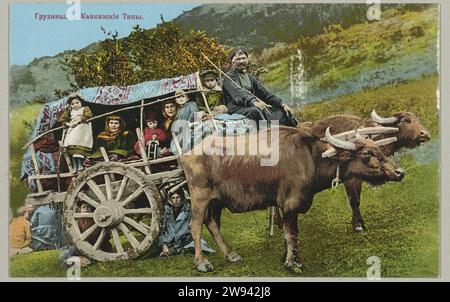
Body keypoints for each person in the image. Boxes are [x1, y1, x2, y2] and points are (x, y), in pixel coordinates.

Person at [222, 47, 298, 127]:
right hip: (236, 107)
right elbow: (238, 92)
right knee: (256, 111)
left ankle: (295, 132)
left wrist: (282, 104)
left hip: (250, 105)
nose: (241, 61)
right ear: (232, 62)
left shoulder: (250, 78)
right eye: (238, 59)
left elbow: (264, 93)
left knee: (280, 111)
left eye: (243, 58)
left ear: (247, 60)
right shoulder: (229, 77)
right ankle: (267, 133)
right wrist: (253, 101)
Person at [158, 190, 215, 257]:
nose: (175, 200)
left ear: (182, 198)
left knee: (200, 244)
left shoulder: (188, 210)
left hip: (184, 239)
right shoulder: (167, 211)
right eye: (173, 198)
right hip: (169, 239)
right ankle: (171, 250)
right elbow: (162, 231)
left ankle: (174, 250)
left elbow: (191, 230)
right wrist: (164, 245)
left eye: (178, 197)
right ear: (170, 199)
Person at [59, 202, 111, 267]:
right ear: (80, 210)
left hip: (97, 246)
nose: (86, 209)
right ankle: (80, 260)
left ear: (91, 209)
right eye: (83, 207)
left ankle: (80, 260)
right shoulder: (78, 223)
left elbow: (106, 238)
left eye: (88, 207)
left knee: (65, 256)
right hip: (81, 246)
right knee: (63, 255)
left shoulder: (97, 221)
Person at [57, 93, 94, 172]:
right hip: (73, 130)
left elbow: (88, 115)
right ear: (70, 105)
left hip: (83, 130)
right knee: (72, 147)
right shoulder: (69, 111)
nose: (75, 105)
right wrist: (69, 124)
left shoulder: (85, 109)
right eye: (72, 104)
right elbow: (62, 120)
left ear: (81, 102)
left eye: (77, 103)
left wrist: (78, 121)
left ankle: (80, 164)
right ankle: (75, 166)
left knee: (80, 149)